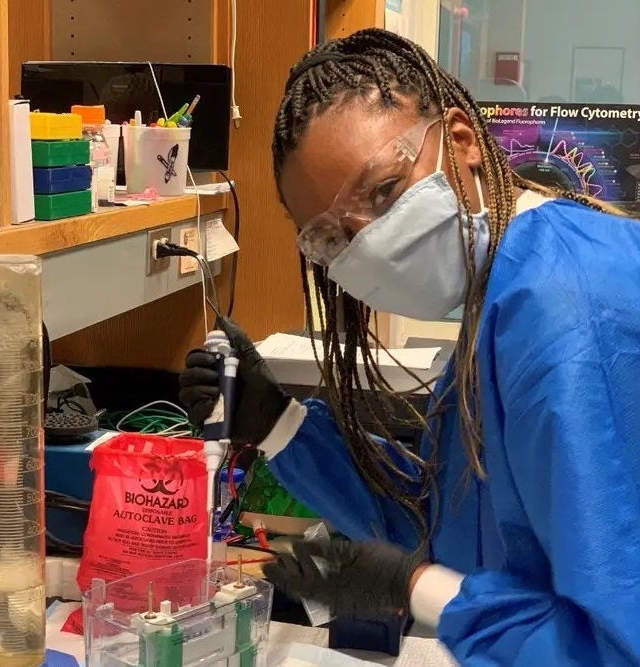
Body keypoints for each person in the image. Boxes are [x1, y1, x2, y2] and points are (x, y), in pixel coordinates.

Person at [179, 28, 640, 665]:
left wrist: (416, 587)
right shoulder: (501, 297)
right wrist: (279, 423)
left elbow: (617, 644)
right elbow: (443, 517)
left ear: (461, 141)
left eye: (385, 191)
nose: (367, 242)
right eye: (332, 236)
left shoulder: (566, 312)